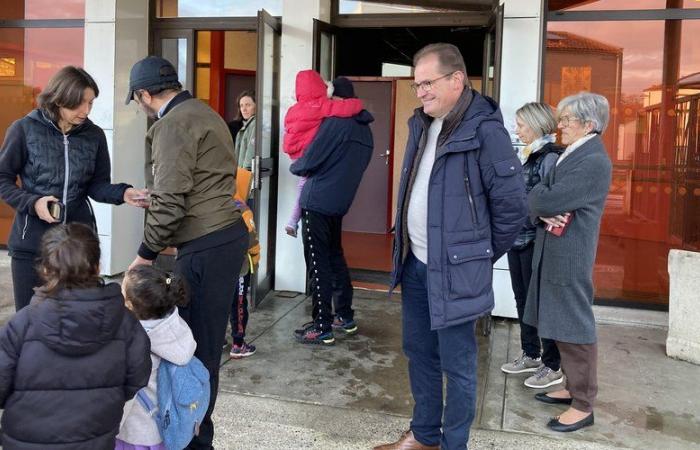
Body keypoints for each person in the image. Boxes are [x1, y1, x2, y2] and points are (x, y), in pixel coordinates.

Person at [374, 43, 527, 450]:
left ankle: (453, 444)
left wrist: (474, 257)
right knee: (418, 353)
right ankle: (424, 435)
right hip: (415, 262)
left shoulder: (485, 131)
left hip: (456, 270)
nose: (420, 91)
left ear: (457, 79)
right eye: (416, 84)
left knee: (458, 366)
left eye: (427, 83)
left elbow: (513, 209)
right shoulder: (423, 124)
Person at [125, 55, 248, 449]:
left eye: (138, 100)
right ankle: (195, 434)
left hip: (207, 246)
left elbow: (173, 202)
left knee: (193, 350)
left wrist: (144, 254)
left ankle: (194, 439)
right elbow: (191, 187)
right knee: (205, 344)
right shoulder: (204, 111)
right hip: (223, 237)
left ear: (144, 94)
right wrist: (160, 198)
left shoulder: (172, 124)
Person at [0, 66, 148, 311]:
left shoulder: (94, 136)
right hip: (32, 243)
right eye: (79, 104)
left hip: (78, 245)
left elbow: (97, 186)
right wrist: (33, 203)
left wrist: (123, 193)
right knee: (30, 319)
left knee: (78, 317)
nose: (86, 111)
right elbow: (3, 178)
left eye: (90, 103)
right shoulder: (24, 129)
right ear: (59, 99)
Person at [0, 223, 151, 449]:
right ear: (98, 266)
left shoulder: (19, 325)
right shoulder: (127, 325)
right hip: (95, 438)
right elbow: (136, 379)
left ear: (45, 270)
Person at [524, 92, 612, 432]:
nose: (559, 126)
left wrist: (540, 201)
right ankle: (571, 387)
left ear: (588, 125)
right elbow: (540, 194)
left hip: (570, 253)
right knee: (557, 321)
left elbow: (547, 197)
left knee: (574, 325)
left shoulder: (593, 161)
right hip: (555, 249)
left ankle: (583, 403)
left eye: (566, 120)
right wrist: (541, 201)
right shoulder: (573, 153)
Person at [289, 76, 373, 345]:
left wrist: (297, 166)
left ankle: (322, 325)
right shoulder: (365, 130)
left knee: (318, 263)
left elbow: (308, 161)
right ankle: (344, 316)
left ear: (337, 98)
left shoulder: (337, 124)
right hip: (339, 203)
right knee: (335, 258)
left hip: (316, 202)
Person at [500, 102, 564, 390]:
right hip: (517, 237)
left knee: (539, 303)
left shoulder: (549, 157)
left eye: (522, 125)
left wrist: (533, 213)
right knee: (522, 299)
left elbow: (551, 199)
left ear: (537, 125)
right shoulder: (528, 153)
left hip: (535, 240)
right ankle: (531, 354)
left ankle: (552, 365)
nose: (517, 130)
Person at [117, 265, 194, 450]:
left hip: (135, 435)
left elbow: (126, 399)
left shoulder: (136, 345)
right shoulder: (176, 329)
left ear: (128, 304)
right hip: (163, 431)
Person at [283, 71, 364, 238]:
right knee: (303, 185)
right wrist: (357, 103)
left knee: (302, 182)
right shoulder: (322, 106)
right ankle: (292, 221)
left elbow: (287, 127)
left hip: (294, 151)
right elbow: (347, 108)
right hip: (308, 151)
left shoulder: (293, 109)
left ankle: (292, 221)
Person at [227, 197, 260, 358]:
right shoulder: (242, 208)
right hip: (239, 267)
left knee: (218, 304)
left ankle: (217, 340)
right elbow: (252, 240)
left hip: (216, 267)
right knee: (239, 305)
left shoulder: (211, 205)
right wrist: (255, 259)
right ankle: (238, 345)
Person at [234, 91, 256, 170]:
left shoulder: (255, 124)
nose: (244, 109)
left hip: (246, 175)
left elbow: (249, 158)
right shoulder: (248, 125)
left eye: (248, 105)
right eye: (241, 106)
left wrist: (242, 179)